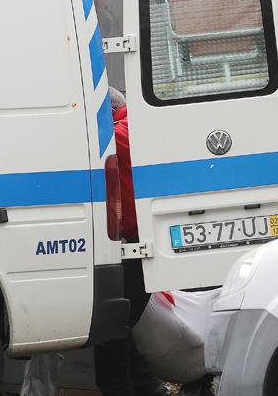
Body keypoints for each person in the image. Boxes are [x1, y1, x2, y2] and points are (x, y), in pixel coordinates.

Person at [93, 88, 170, 396]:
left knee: (114, 327)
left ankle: (124, 389)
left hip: (135, 242)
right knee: (119, 326)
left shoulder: (126, 129)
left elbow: (103, 145)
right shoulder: (131, 124)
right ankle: (149, 389)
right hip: (131, 238)